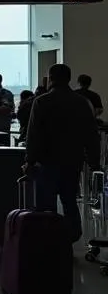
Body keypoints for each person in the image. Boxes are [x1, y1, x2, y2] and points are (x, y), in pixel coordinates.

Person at [25, 63, 100, 243]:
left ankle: (48, 239)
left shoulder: (41, 101)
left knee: (46, 204)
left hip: (47, 160)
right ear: (69, 79)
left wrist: (29, 160)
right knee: (69, 200)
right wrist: (94, 161)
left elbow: (33, 134)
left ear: (50, 79)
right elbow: (91, 133)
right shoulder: (81, 102)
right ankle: (71, 236)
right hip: (72, 160)